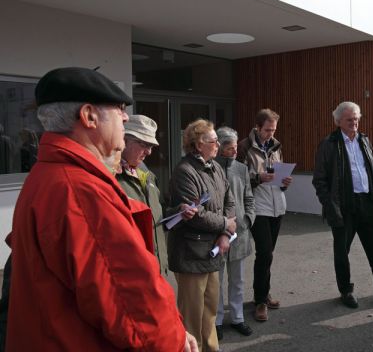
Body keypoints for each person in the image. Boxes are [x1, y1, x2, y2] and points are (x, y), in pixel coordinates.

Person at [6, 67, 197, 351]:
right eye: (119, 108)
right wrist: (175, 339)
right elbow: (129, 301)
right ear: (89, 116)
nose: (124, 117)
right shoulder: (80, 189)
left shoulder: (49, 174)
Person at [312, 101, 373, 311]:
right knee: (342, 252)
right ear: (338, 121)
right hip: (343, 206)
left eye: (357, 119)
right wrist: (330, 204)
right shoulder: (329, 144)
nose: (354, 123)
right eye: (349, 120)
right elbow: (320, 179)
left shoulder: (364, 140)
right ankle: (346, 291)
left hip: (367, 203)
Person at [168, 118, 236, 352]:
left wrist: (226, 233)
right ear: (198, 145)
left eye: (217, 140)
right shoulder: (185, 172)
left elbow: (230, 201)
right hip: (190, 254)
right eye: (213, 141)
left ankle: (211, 349)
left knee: (210, 312)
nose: (218, 144)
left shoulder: (215, 167)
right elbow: (195, 215)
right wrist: (226, 223)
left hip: (212, 251)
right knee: (192, 316)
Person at [237, 108, 292, 322]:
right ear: (257, 127)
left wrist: (285, 182)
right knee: (265, 254)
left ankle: (264, 294)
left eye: (273, 130)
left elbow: (277, 176)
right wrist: (258, 177)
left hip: (277, 205)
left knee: (268, 255)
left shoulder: (276, 146)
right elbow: (238, 178)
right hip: (257, 207)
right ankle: (260, 300)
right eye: (268, 130)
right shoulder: (244, 147)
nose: (271, 134)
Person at [214, 127, 256, 340]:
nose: (234, 151)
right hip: (217, 233)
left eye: (235, 147)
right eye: (229, 148)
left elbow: (249, 197)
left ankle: (238, 317)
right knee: (217, 280)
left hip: (240, 232)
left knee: (238, 280)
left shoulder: (242, 168)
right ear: (219, 148)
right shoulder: (210, 168)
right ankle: (217, 320)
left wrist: (248, 218)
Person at [116, 114, 169, 276]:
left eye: (151, 146)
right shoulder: (110, 179)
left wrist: (179, 212)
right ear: (124, 140)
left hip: (158, 269)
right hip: (134, 274)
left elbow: (157, 218)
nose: (149, 152)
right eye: (144, 144)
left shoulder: (148, 176)